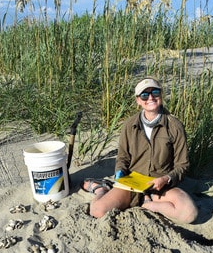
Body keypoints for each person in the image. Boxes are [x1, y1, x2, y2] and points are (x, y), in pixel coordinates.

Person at [82, 77, 198, 224]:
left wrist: (166, 179)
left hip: (161, 186)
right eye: (144, 95)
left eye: (155, 92)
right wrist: (120, 171)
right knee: (97, 210)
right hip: (132, 184)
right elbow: (123, 157)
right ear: (138, 100)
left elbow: (183, 165)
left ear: (161, 95)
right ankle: (102, 189)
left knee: (189, 214)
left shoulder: (175, 126)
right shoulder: (129, 125)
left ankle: (147, 204)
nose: (150, 97)